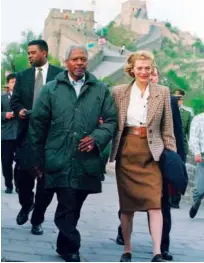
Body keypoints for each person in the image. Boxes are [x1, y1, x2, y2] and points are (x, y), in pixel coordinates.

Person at [28, 45, 117, 262]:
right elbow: (38, 124)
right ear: (67, 62)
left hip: (86, 160)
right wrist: (37, 158)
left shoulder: (100, 90)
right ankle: (72, 248)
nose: (79, 63)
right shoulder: (51, 89)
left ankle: (62, 245)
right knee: (67, 201)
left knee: (75, 203)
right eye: (75, 59)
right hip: (57, 156)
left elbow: (112, 120)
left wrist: (96, 138)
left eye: (83, 59)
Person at [110, 51, 176, 262]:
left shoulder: (162, 92)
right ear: (132, 70)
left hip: (153, 153)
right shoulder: (119, 92)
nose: (144, 72)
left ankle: (157, 251)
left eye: (147, 68)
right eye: (140, 68)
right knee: (127, 206)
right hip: (127, 150)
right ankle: (127, 249)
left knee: (155, 204)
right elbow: (112, 124)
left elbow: (168, 129)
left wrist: (172, 158)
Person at [10, 40, 62, 235]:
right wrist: (20, 110)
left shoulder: (60, 75)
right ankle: (26, 203)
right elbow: (14, 101)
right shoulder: (22, 77)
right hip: (27, 135)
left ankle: (37, 219)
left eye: (32, 53)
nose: (29, 56)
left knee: (46, 183)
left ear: (44, 53)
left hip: (51, 137)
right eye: (28, 53)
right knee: (22, 177)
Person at [171, 89, 192, 208]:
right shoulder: (167, 111)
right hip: (168, 146)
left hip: (181, 148)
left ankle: (175, 200)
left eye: (180, 99)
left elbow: (189, 133)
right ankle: (167, 198)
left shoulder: (187, 114)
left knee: (179, 174)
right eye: (176, 98)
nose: (178, 101)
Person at [1, 73, 18, 193]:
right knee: (6, 161)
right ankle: (8, 184)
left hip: (21, 135)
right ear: (9, 84)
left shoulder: (25, 98)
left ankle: (19, 184)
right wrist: (4, 115)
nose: (14, 84)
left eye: (16, 82)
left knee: (21, 162)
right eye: (12, 81)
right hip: (6, 135)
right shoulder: (2, 98)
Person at [189, 112, 204, 218]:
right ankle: (196, 201)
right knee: (200, 189)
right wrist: (197, 152)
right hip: (203, 158)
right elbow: (193, 137)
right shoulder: (198, 119)